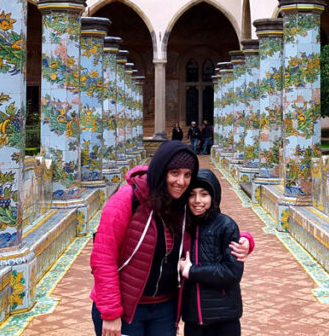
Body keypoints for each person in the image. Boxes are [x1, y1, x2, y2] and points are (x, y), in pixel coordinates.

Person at [90, 141, 252, 336]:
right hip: (126, 309)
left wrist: (244, 240)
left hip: (164, 310)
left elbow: (212, 227)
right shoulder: (128, 198)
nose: (181, 181)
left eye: (187, 175)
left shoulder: (182, 205)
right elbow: (103, 256)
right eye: (174, 173)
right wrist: (110, 312)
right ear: (161, 171)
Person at [178, 169, 245, 336]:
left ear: (213, 197)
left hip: (224, 318)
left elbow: (232, 272)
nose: (197, 201)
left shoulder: (226, 226)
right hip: (193, 319)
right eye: (191, 194)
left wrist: (192, 271)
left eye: (204, 194)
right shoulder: (182, 225)